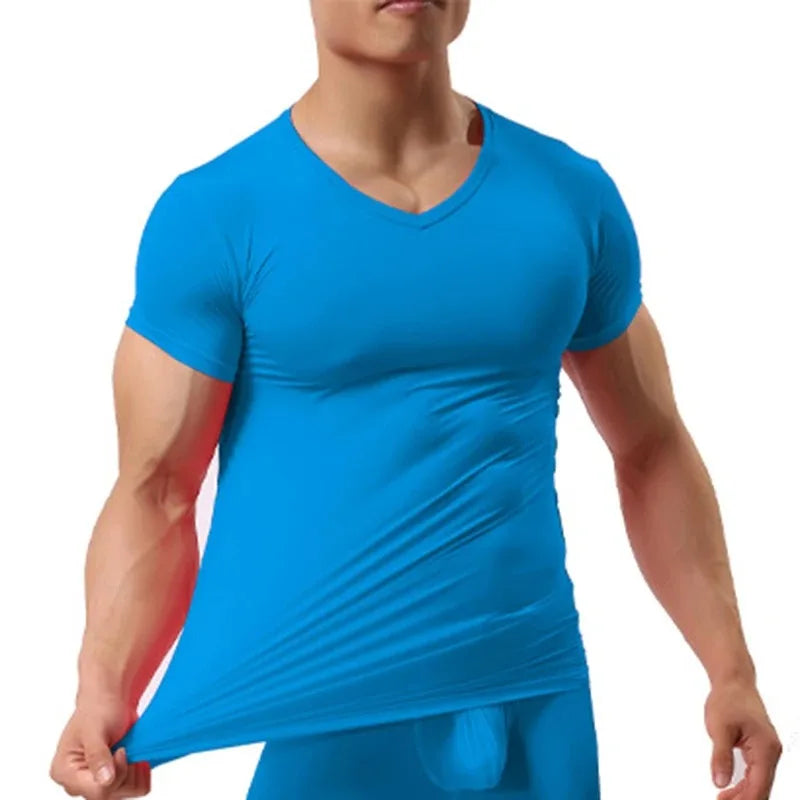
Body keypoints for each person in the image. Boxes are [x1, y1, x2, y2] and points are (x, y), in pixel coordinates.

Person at [49, 1, 783, 798]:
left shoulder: (569, 197)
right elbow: (158, 490)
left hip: (532, 702)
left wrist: (730, 670)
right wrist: (101, 692)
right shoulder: (219, 215)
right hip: (323, 714)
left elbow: (651, 448)